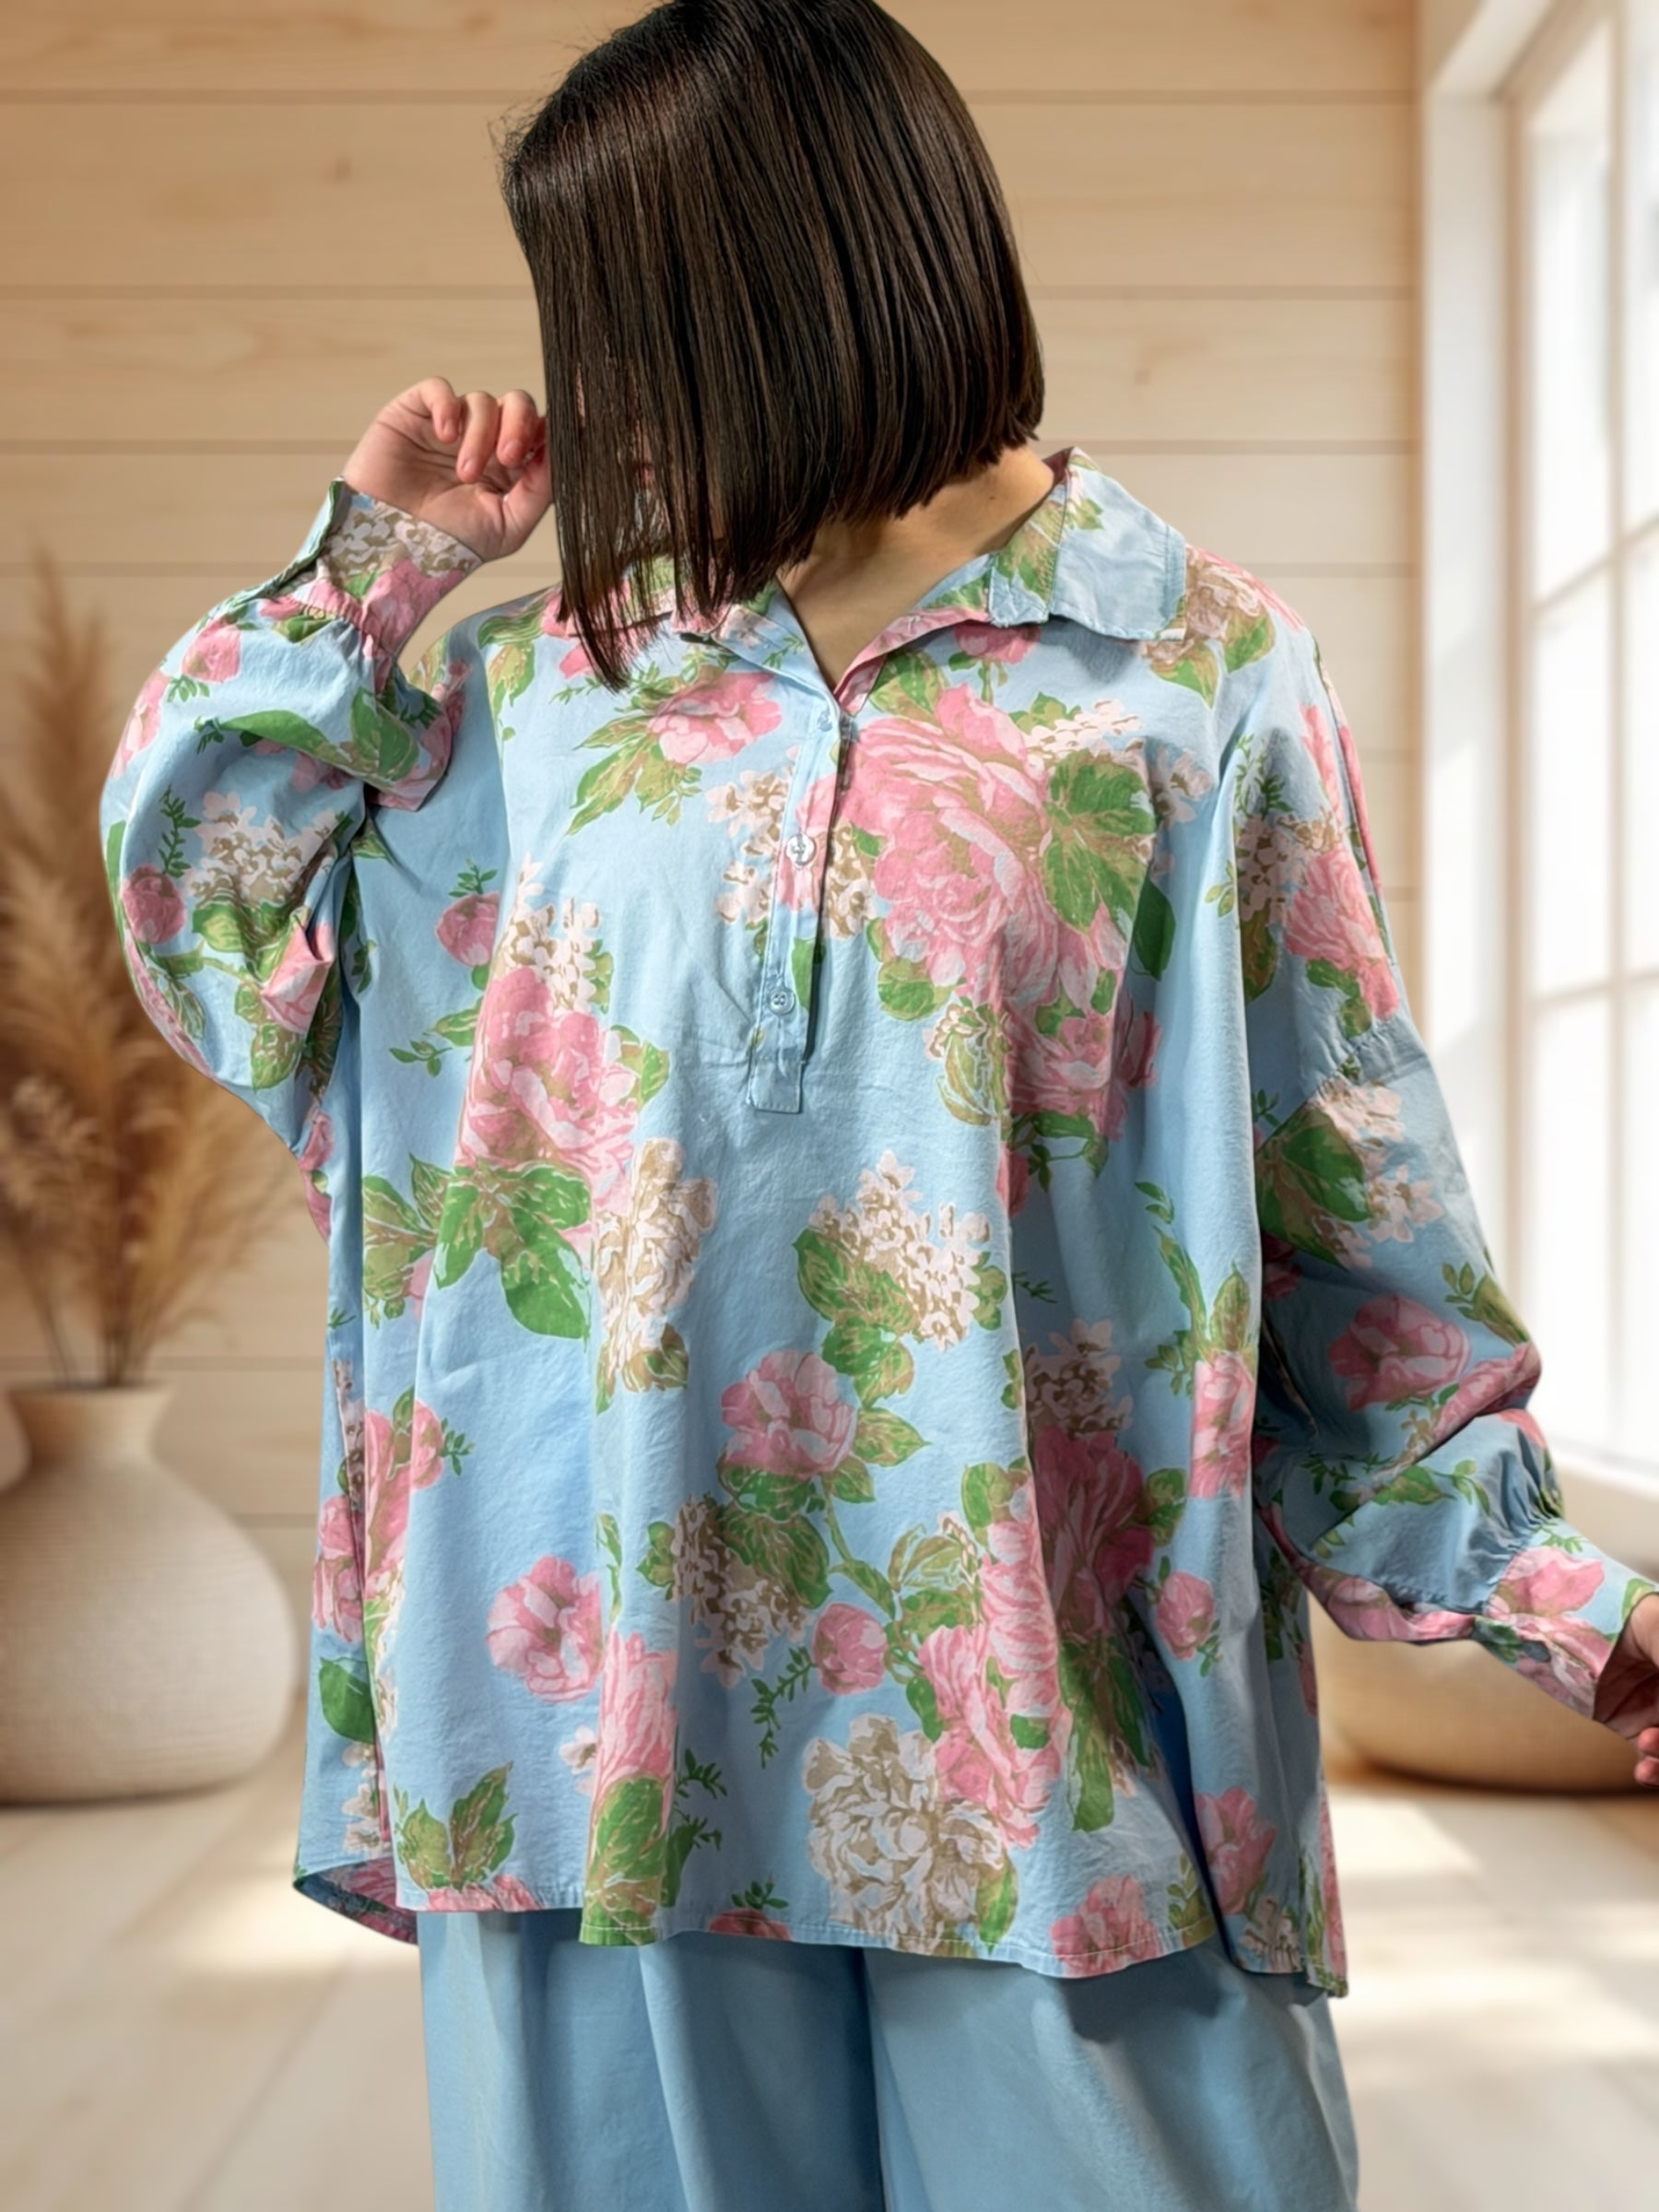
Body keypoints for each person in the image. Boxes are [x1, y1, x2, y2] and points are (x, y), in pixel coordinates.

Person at [100, 1, 1659, 2206]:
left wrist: (1563, 1603)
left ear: (779, 285)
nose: (599, 384)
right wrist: (375, 568)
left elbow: (1344, 1202)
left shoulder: (1190, 677)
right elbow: (213, 927)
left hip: (1058, 1738)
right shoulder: (544, 693)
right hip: (597, 1744)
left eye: (623, 314)